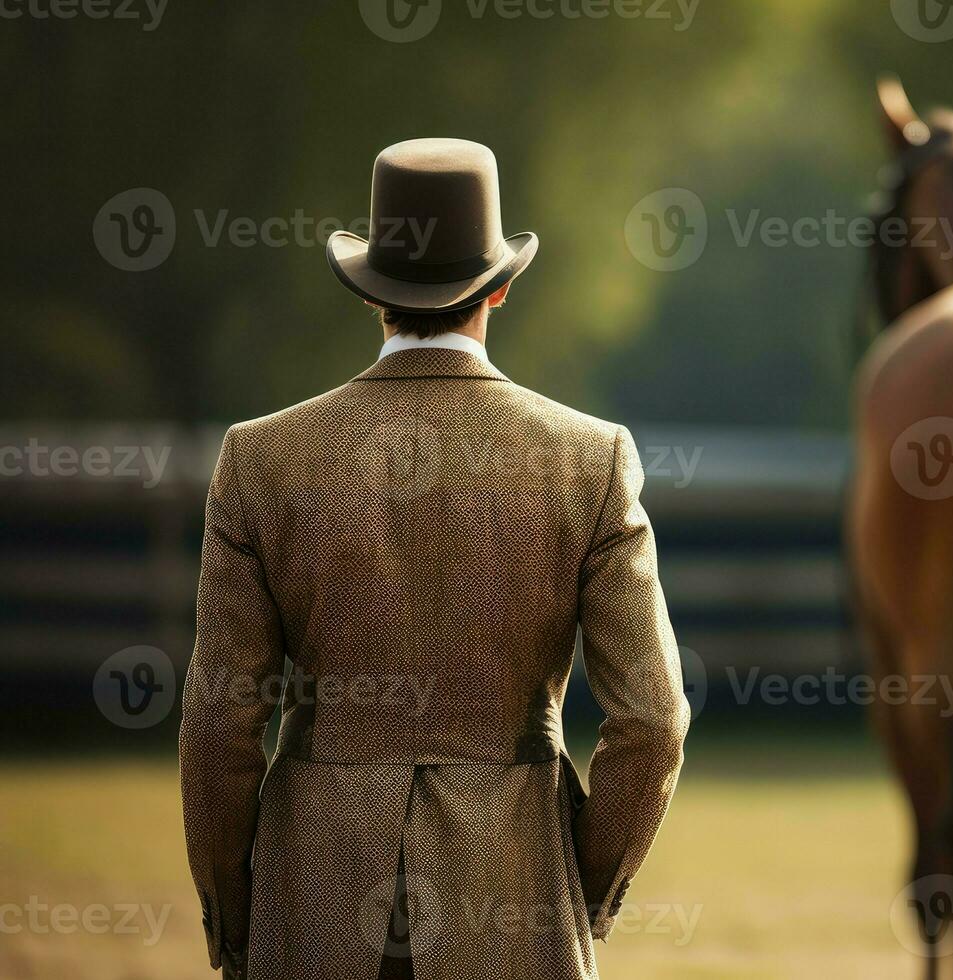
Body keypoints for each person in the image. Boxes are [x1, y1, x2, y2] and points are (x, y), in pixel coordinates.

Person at [178, 137, 689, 980]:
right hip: (515, 895)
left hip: (313, 896)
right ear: (501, 285)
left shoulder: (262, 459)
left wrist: (239, 923)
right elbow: (654, 722)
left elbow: (218, 730)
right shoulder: (588, 459)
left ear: (371, 292)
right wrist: (580, 887)